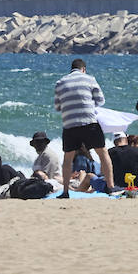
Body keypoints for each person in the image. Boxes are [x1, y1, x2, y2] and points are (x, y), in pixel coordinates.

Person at [54, 58, 116, 199]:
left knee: (68, 158)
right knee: (103, 153)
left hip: (69, 125)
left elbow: (58, 107)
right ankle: (111, 187)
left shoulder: (60, 83)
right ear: (83, 69)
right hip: (89, 122)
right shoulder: (89, 79)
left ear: (71, 69)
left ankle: (65, 192)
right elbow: (100, 100)